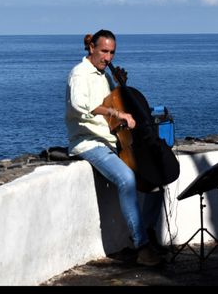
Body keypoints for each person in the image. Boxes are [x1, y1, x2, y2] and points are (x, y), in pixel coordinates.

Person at [65, 29, 165, 266]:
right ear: (92, 49)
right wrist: (115, 112)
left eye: (111, 53)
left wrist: (122, 87)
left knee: (154, 178)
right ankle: (141, 247)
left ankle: (148, 233)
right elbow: (83, 106)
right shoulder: (79, 74)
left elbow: (115, 100)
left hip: (112, 140)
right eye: (104, 52)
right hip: (89, 142)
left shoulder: (104, 76)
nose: (108, 58)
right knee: (127, 179)